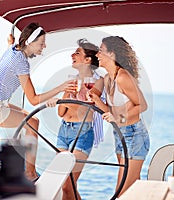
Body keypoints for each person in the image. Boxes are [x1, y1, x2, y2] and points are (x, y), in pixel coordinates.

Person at [0, 22, 72, 182]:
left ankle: (28, 169)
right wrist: (60, 88)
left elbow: (12, 45)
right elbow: (33, 99)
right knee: (32, 123)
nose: (44, 47)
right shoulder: (21, 63)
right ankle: (30, 174)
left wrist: (10, 42)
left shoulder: (13, 50)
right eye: (41, 43)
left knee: (34, 120)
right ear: (28, 42)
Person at [88, 36, 150, 197]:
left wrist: (119, 118)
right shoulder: (109, 78)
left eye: (101, 51)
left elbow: (142, 105)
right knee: (131, 189)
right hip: (120, 134)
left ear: (112, 54)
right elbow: (111, 112)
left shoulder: (123, 77)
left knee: (121, 192)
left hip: (134, 136)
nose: (97, 55)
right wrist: (95, 100)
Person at [46, 38, 104, 200]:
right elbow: (61, 112)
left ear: (87, 60)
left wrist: (62, 101)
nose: (72, 55)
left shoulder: (98, 81)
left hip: (83, 133)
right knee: (66, 184)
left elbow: (85, 111)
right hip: (63, 131)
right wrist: (64, 95)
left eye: (77, 53)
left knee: (67, 183)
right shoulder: (71, 80)